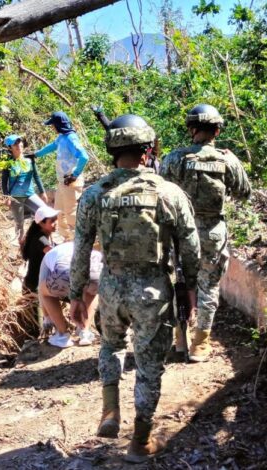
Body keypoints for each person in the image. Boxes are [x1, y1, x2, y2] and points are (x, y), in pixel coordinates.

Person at [69, 114, 199, 463]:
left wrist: (76, 296)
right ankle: (140, 441)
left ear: (112, 150)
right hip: (152, 292)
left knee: (111, 345)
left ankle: (110, 408)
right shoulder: (169, 193)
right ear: (148, 152)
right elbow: (190, 249)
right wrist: (191, 289)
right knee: (148, 366)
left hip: (111, 289)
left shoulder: (95, 194)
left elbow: (80, 248)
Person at [160, 104, 252, 363]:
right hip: (213, 232)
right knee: (208, 285)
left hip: (181, 232)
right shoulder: (227, 159)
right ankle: (201, 344)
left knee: (179, 283)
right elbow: (244, 192)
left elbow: (160, 191)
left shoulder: (175, 158)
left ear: (191, 129)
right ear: (218, 130)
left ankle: (180, 339)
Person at [34, 111, 89, 241]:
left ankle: (79, 241)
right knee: (59, 212)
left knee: (71, 214)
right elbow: (52, 146)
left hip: (70, 181)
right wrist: (36, 154)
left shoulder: (71, 138)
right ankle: (67, 239)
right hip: (62, 183)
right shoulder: (61, 137)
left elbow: (84, 157)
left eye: (53, 125)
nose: (52, 127)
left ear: (58, 125)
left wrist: (74, 175)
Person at [39, 241, 102, 348]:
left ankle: (62, 336)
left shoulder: (49, 255)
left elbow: (41, 290)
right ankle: (85, 332)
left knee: (45, 292)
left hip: (64, 272)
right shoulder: (84, 246)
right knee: (91, 291)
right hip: (96, 269)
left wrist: (46, 317)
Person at [0, 134, 48, 244]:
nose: (18, 145)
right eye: (15, 144)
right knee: (19, 223)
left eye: (19, 142)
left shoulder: (30, 160)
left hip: (30, 194)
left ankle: (43, 240)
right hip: (15, 197)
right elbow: (4, 181)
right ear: (10, 148)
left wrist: (42, 191)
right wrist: (6, 196)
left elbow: (36, 176)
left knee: (44, 212)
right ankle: (21, 246)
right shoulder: (8, 163)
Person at [22, 206, 60, 293]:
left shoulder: (47, 236)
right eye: (52, 221)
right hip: (35, 287)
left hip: (40, 283)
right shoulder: (40, 239)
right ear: (41, 224)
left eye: (56, 219)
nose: (56, 223)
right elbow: (53, 253)